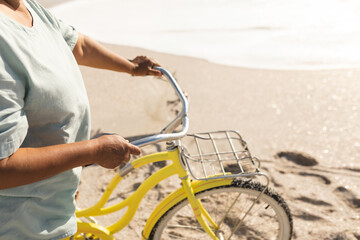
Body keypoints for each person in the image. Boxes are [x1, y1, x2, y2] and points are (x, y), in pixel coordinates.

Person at [0, 0, 162, 239]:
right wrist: (93, 151)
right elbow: (3, 167)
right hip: (22, 225)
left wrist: (131, 67)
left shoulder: (26, 7)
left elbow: (78, 45)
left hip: (51, 207)